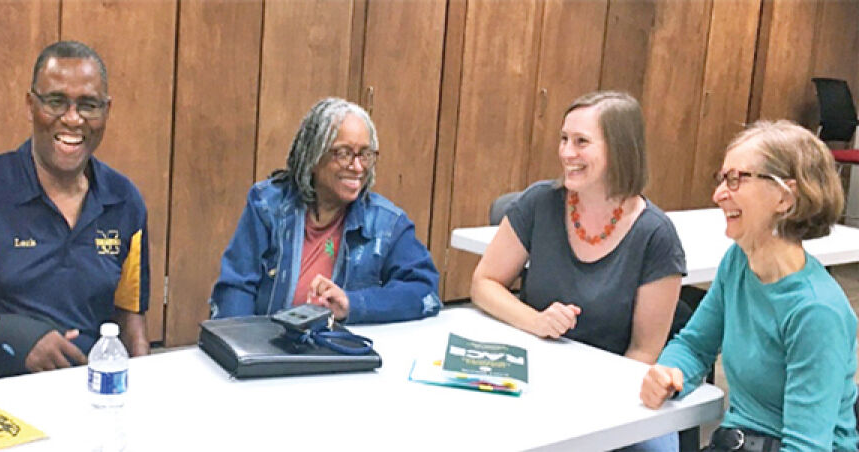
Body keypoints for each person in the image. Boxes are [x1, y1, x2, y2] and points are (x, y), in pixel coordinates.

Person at [0, 41, 149, 384]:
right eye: (55, 102)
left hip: (88, 391)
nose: (72, 118)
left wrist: (141, 385)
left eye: (88, 105)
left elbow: (130, 319)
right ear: (30, 105)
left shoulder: (124, 201)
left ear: (106, 111)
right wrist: (9, 334)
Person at [470, 91, 685, 450]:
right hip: (535, 378)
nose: (566, 152)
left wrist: (587, 408)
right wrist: (535, 320)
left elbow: (643, 353)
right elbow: (483, 283)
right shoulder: (540, 202)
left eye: (581, 142)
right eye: (564, 138)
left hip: (615, 394)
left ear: (619, 149)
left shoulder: (655, 235)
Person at [640, 121, 858, 451]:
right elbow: (694, 345)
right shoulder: (738, 262)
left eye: (736, 180)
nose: (719, 194)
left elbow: (806, 447)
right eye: (722, 179)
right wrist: (670, 373)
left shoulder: (816, 311)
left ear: (785, 197)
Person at [209, 97, 441, 324]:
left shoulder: (386, 223)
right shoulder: (268, 206)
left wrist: (353, 304)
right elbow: (236, 288)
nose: (358, 167)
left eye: (365, 155)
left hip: (338, 351)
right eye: (343, 154)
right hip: (269, 350)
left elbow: (424, 292)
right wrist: (243, 349)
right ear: (313, 156)